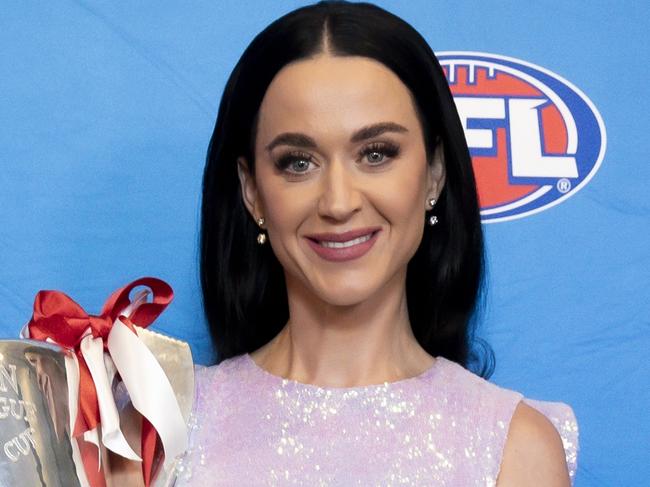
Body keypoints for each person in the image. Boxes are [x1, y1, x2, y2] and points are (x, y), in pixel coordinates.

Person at [176, 1, 579, 485]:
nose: (339, 202)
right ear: (252, 192)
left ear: (434, 174)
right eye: (298, 162)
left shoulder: (513, 447)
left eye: (376, 153)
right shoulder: (164, 427)